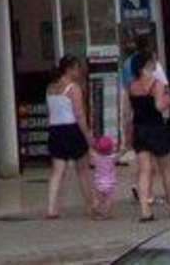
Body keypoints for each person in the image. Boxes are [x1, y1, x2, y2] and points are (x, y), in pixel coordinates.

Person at [127, 37, 170, 223]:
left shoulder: (132, 85)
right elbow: (159, 106)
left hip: (139, 127)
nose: (155, 64)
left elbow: (128, 112)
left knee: (144, 169)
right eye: (153, 61)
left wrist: (128, 133)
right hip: (155, 128)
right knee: (166, 168)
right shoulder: (156, 84)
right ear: (148, 64)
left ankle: (145, 210)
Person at [43, 54, 91, 219]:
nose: (79, 72)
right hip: (72, 129)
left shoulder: (50, 88)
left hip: (55, 130)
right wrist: (87, 135)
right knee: (83, 170)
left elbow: (49, 112)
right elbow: (79, 114)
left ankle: (51, 208)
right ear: (69, 69)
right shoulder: (73, 88)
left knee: (57, 171)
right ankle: (89, 205)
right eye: (77, 68)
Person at [88, 134, 121, 219]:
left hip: (98, 183)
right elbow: (120, 154)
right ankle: (106, 214)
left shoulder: (96, 158)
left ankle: (95, 208)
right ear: (111, 148)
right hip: (110, 183)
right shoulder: (112, 158)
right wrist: (125, 149)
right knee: (109, 200)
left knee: (98, 199)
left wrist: (90, 145)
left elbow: (90, 153)